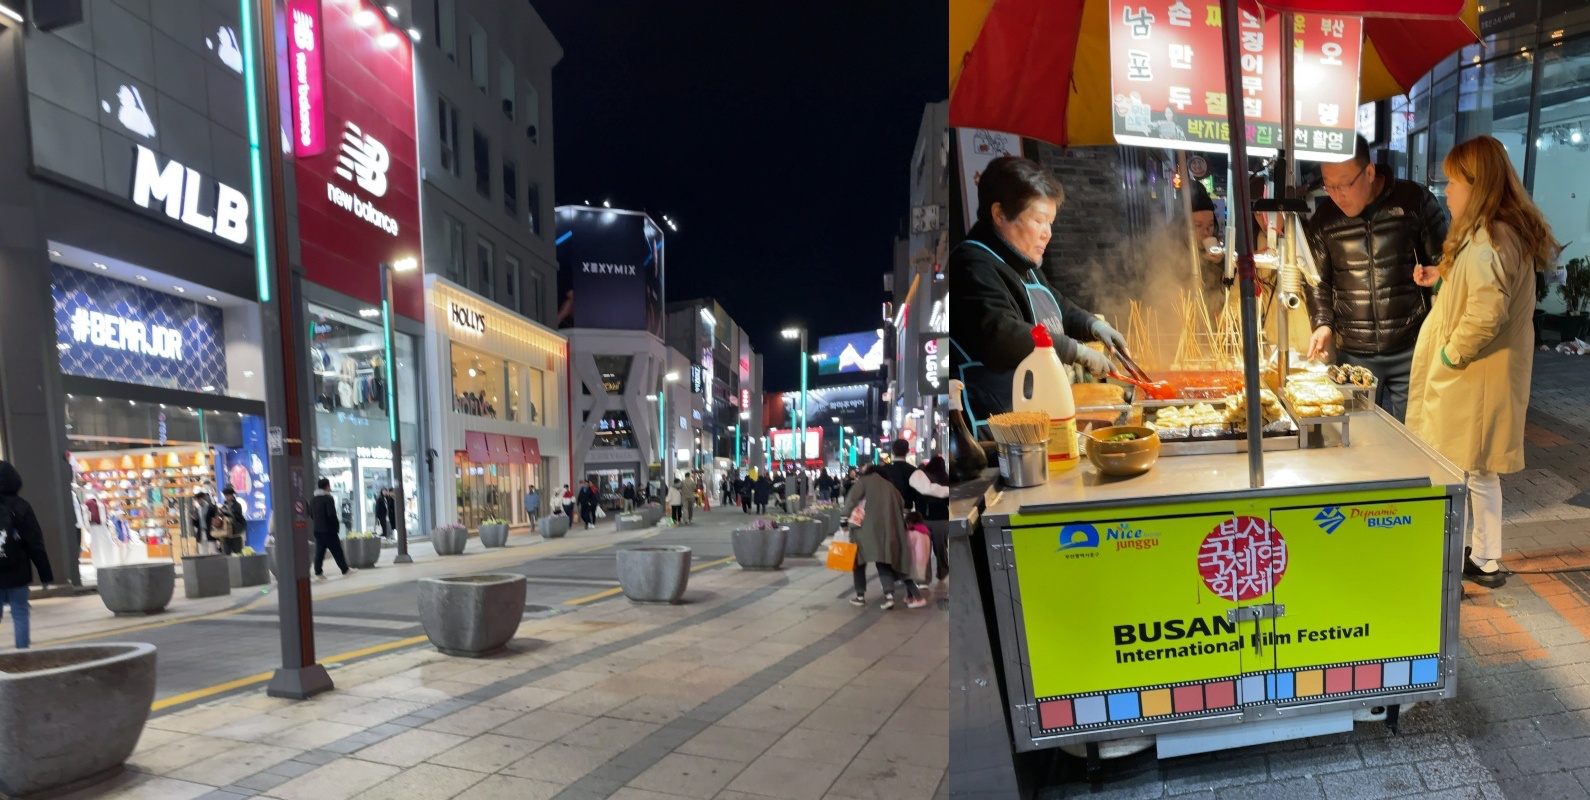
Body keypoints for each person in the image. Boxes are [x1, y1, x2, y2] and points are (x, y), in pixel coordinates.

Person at [1407, 136, 1554, 590]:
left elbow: (1487, 311)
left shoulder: (1491, 236)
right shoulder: (1495, 231)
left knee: (1462, 468)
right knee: (1476, 468)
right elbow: (1480, 286)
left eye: (1453, 182)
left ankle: (1457, 558)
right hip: (1479, 375)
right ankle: (1484, 557)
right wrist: (1441, 277)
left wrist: (1451, 354)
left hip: (1474, 376)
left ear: (1478, 184)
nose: (1447, 191)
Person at [949, 156, 1127, 425]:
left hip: (1033, 414)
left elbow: (1056, 305)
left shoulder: (1020, 261)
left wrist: (1093, 326)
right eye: (1039, 221)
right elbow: (1001, 335)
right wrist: (1076, 351)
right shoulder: (972, 264)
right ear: (999, 214)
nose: (1048, 233)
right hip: (995, 426)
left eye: (1050, 222)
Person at [1304, 135, 1450, 422]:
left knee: (1416, 432)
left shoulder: (1414, 201)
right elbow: (1317, 280)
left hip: (1412, 345)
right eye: (1328, 185)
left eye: (1344, 184)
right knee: (1358, 434)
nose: (1337, 195)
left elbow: (1445, 264)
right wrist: (1322, 323)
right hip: (1354, 353)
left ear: (1369, 172)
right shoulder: (1324, 218)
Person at [842, 465, 926, 610]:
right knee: (883, 562)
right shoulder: (891, 487)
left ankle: (860, 596)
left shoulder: (863, 482)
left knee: (859, 562)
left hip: (863, 530)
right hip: (887, 531)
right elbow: (901, 504)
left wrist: (843, 518)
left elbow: (851, 500)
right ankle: (889, 596)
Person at [0, 461, 54, 649]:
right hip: (18, 571)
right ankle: (22, 656)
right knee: (20, 613)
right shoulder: (22, 506)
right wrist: (45, 574)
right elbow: (35, 543)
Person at [918, 456, 952, 585]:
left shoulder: (922, 479)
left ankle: (925, 579)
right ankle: (943, 572)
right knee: (941, 548)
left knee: (925, 550)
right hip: (941, 519)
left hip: (924, 519)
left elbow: (916, 497)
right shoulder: (945, 479)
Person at [309, 478, 349, 578]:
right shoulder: (328, 499)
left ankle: (318, 572)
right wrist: (336, 527)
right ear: (327, 486)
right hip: (329, 530)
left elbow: (311, 514)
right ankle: (345, 570)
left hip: (318, 529)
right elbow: (331, 515)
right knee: (337, 550)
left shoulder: (313, 499)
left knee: (320, 551)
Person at [220, 486, 247, 555]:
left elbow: (237, 517)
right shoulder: (224, 505)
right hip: (226, 533)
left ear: (232, 495)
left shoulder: (237, 505)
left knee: (237, 553)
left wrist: (227, 513)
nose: (227, 497)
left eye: (228, 495)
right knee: (227, 553)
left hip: (236, 533)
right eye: (225, 496)